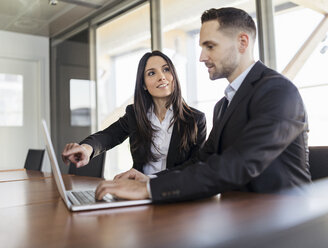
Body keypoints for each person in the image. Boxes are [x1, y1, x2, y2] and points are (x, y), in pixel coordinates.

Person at [95, 7, 311, 202]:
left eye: (210, 46)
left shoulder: (278, 92)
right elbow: (201, 161)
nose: (201, 57)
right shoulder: (223, 105)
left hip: (283, 221)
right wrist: (147, 180)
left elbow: (239, 164)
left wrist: (150, 189)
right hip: (238, 217)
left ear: (242, 42)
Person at [62, 50, 206, 176]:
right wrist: (86, 149)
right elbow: (109, 135)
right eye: (151, 73)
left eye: (166, 69)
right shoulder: (135, 114)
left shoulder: (196, 119)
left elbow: (195, 166)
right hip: (138, 194)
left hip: (174, 194)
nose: (162, 77)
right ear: (143, 84)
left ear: (174, 76)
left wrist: (151, 180)